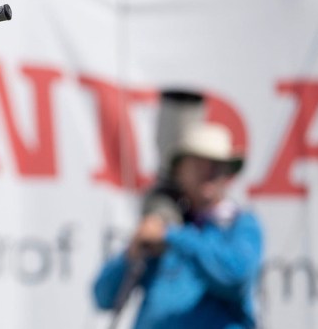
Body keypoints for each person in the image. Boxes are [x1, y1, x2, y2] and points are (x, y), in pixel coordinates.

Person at [93, 122, 263, 329]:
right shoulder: (166, 229)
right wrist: (132, 253)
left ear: (227, 174)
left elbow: (235, 276)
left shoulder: (241, 225)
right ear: (180, 172)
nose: (208, 172)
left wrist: (172, 236)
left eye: (216, 165)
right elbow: (103, 296)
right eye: (199, 164)